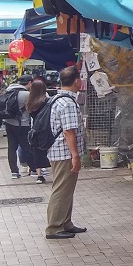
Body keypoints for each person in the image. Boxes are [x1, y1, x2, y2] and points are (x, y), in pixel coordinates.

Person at [44, 66, 87, 240]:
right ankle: (54, 227)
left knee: (66, 188)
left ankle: (65, 222)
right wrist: (75, 155)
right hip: (64, 153)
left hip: (59, 151)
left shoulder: (57, 99)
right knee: (62, 189)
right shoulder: (67, 103)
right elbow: (69, 131)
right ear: (76, 81)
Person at [1, 75, 33, 178]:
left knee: (12, 147)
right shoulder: (27, 94)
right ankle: (33, 169)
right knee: (26, 146)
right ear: (29, 83)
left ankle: (14, 171)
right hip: (22, 124)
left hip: (8, 123)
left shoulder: (8, 91)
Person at [24, 78, 51, 184]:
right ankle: (52, 170)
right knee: (49, 150)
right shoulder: (46, 101)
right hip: (46, 128)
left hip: (35, 129)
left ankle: (39, 175)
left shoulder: (30, 102)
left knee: (37, 152)